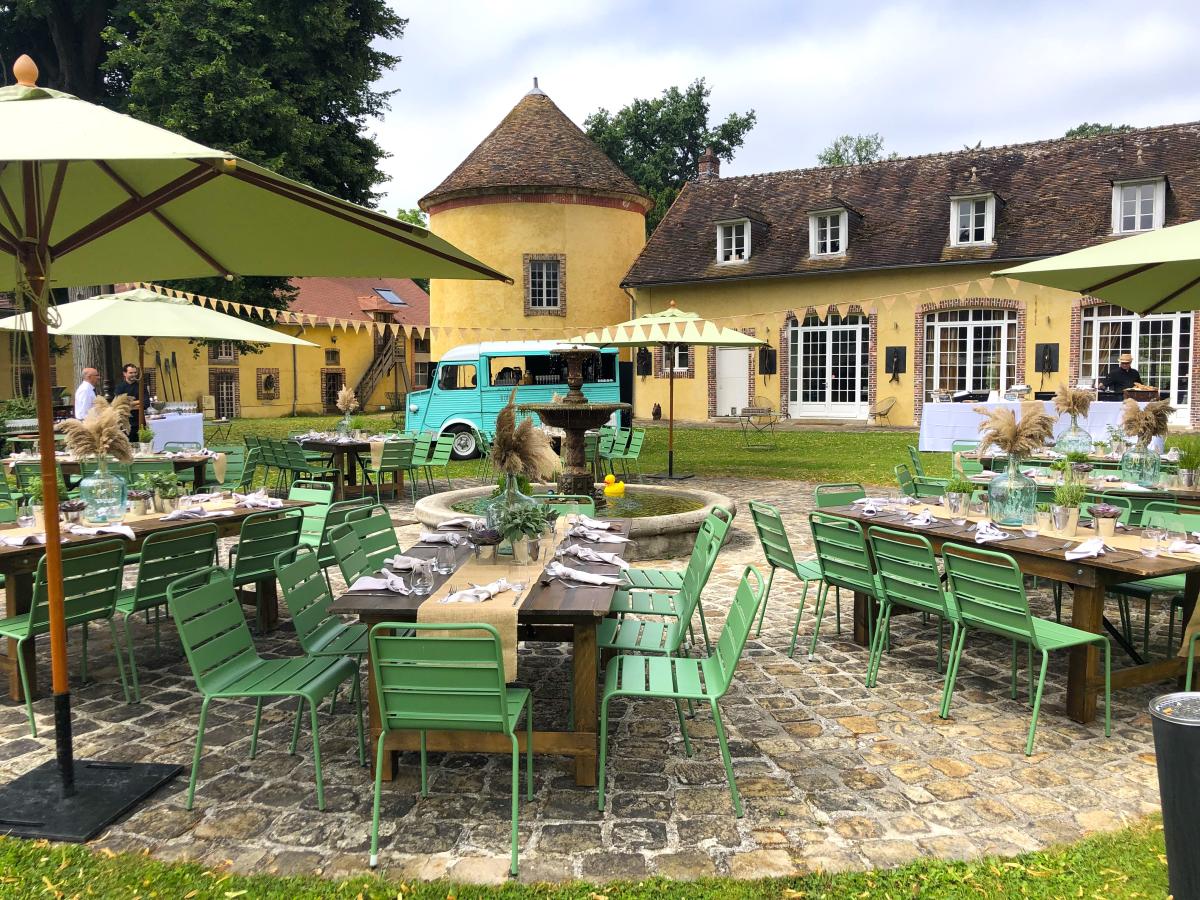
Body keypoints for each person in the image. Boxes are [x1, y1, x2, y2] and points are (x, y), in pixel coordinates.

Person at [112, 362, 142, 435]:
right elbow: (118, 405)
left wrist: (126, 405)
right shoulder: (119, 387)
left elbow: (146, 403)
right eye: (131, 373)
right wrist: (138, 403)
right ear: (125, 374)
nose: (134, 375)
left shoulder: (141, 386)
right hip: (124, 423)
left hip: (139, 422)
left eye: (135, 372)